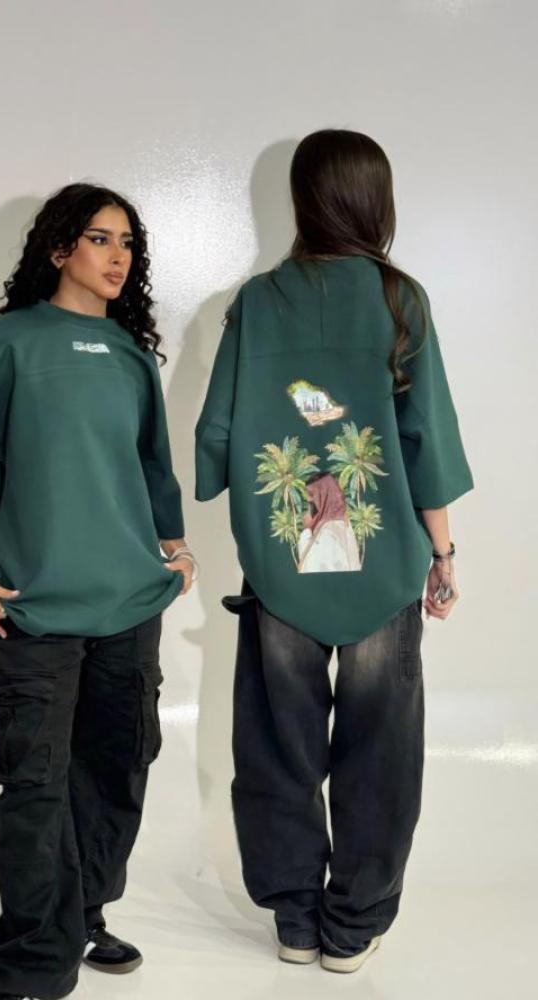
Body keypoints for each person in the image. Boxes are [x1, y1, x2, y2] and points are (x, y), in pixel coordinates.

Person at [0, 183, 196, 1000]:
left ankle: (83, 914)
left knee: (117, 768)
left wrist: (176, 553)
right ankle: (32, 954)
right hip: (38, 607)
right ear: (60, 247)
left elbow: (152, 469)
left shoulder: (133, 356)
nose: (117, 256)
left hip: (130, 604)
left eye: (127, 243)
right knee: (34, 781)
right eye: (99, 238)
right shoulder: (9, 343)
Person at [195, 129, 473, 974]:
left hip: (282, 566)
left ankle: (295, 920)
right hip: (383, 566)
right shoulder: (399, 299)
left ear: (302, 198)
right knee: (380, 747)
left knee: (277, 744)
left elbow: (216, 434)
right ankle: (353, 925)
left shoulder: (257, 301)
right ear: (374, 199)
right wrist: (443, 553)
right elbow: (426, 439)